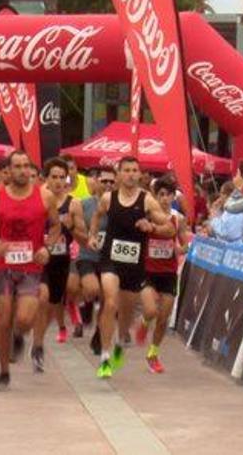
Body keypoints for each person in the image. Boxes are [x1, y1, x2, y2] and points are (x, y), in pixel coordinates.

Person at [0, 150, 61, 391]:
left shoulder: (45, 196)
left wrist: (47, 247)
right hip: (4, 267)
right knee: (3, 320)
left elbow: (56, 226)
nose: (23, 170)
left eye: (27, 166)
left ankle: (19, 335)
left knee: (24, 319)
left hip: (32, 267)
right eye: (17, 166)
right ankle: (4, 372)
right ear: (8, 171)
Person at [88, 156, 174, 379]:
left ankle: (120, 342)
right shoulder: (108, 198)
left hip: (134, 266)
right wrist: (92, 235)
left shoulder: (147, 201)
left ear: (140, 174)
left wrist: (151, 226)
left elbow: (169, 228)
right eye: (126, 170)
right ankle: (105, 357)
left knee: (125, 318)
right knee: (110, 301)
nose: (131, 174)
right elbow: (97, 217)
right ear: (118, 174)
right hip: (110, 259)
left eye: (135, 170)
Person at [30, 157, 87, 373]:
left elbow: (83, 238)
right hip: (39, 259)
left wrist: (72, 228)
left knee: (53, 303)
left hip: (61, 260)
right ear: (45, 178)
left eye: (62, 177)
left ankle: (39, 341)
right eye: (53, 177)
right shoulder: (37, 199)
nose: (58, 181)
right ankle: (37, 346)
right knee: (41, 298)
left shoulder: (73, 204)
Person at [133, 178, 191, 373]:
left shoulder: (178, 219)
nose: (165, 199)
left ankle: (153, 353)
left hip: (168, 273)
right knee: (150, 311)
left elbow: (186, 245)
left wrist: (179, 249)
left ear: (174, 197)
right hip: (148, 271)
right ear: (155, 197)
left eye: (169, 195)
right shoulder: (148, 216)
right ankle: (143, 323)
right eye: (161, 195)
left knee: (164, 317)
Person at [69, 168, 115, 346]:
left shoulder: (119, 205)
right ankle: (86, 305)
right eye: (104, 181)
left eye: (111, 182)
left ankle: (98, 333)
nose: (108, 185)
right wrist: (87, 238)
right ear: (95, 182)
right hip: (87, 255)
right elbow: (78, 230)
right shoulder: (84, 204)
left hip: (109, 259)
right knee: (92, 289)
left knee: (107, 298)